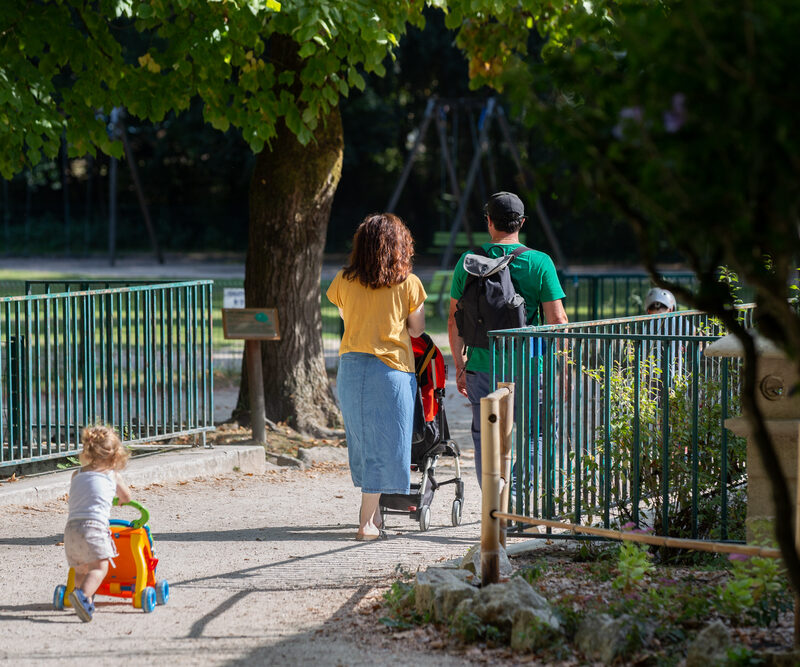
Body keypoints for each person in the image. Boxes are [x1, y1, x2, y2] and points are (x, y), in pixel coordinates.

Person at [447, 191, 568, 484]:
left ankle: (494, 505)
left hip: (481, 362)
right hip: (529, 364)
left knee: (485, 436)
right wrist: (563, 369)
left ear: (489, 222)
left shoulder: (468, 261)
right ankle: (516, 497)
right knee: (535, 433)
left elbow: (454, 320)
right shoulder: (540, 262)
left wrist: (460, 365)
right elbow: (558, 320)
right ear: (522, 223)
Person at [327, 213, 427, 541]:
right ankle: (366, 523)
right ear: (400, 246)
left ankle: (371, 520)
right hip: (392, 370)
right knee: (387, 445)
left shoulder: (344, 280)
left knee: (362, 443)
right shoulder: (409, 284)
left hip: (352, 367)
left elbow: (346, 317)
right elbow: (417, 329)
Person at [63, 424, 132, 622]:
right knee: (99, 568)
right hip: (93, 528)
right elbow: (126, 497)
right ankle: (83, 596)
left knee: (81, 569)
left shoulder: (77, 474)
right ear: (115, 456)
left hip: (71, 530)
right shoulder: (112, 475)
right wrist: (116, 499)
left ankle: (80, 593)